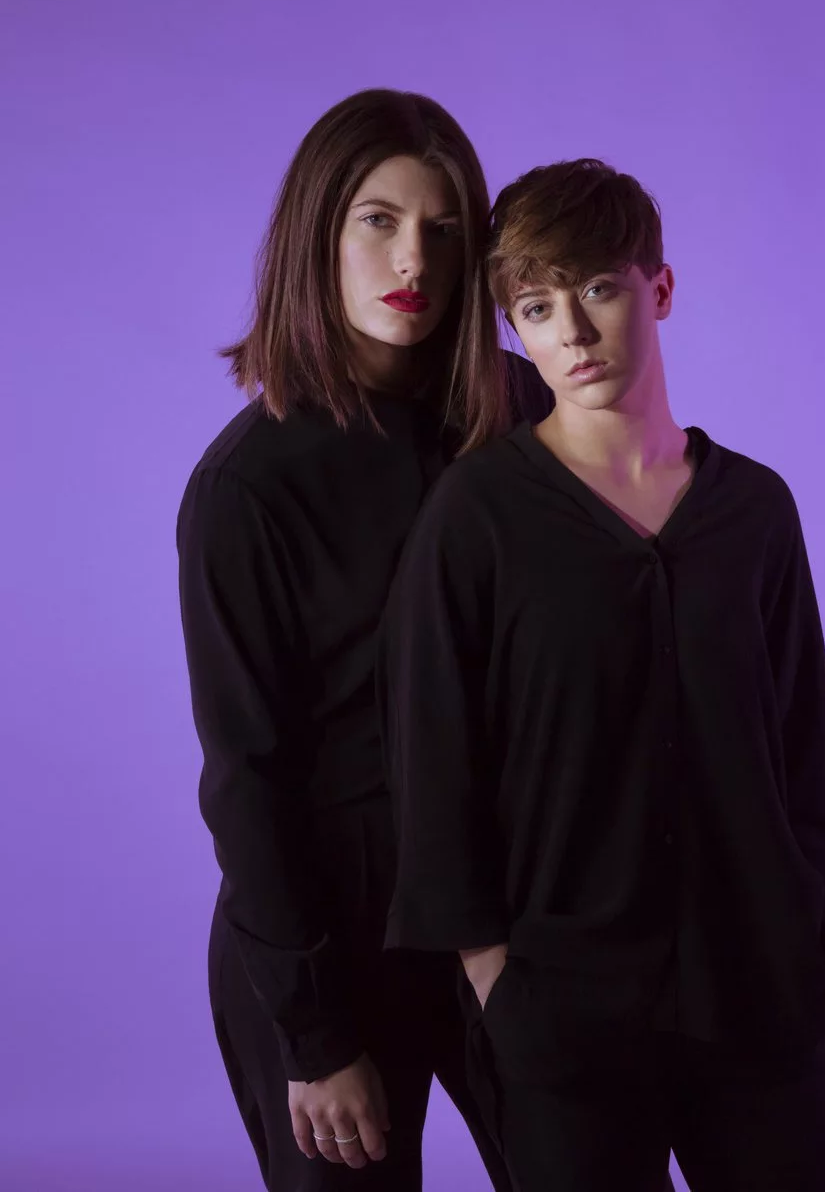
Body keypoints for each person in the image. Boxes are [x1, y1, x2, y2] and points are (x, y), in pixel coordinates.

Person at [378, 158, 825, 1191]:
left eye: (598, 289)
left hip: (759, 998)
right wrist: (496, 982)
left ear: (660, 288)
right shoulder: (477, 517)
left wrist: (812, 927)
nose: (573, 333)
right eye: (536, 308)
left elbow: (802, 748)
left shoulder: (755, 510)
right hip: (566, 1017)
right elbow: (437, 763)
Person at [176, 88, 553, 1192]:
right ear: (318, 234)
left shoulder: (525, 414)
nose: (413, 259)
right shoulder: (246, 485)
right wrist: (314, 1034)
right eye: (378, 221)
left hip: (504, 914)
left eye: (444, 228)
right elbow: (246, 777)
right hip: (331, 933)